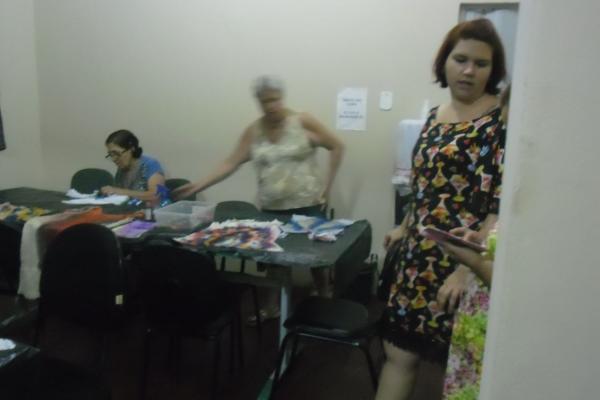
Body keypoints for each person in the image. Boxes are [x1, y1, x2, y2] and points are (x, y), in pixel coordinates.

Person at [376, 19, 507, 400]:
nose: (468, 71)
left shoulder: (500, 121)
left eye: (480, 63)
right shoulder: (434, 116)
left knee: (463, 371)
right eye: (460, 59)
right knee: (397, 353)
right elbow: (423, 186)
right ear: (444, 62)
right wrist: (403, 226)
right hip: (417, 256)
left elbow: (497, 206)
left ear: (493, 70)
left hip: (465, 262)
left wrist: (467, 270)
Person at [173, 75, 345, 321]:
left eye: (275, 99)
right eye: (265, 101)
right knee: (273, 259)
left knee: (317, 260)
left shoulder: (302, 121)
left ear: (282, 98)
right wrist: (199, 184)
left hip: (308, 204)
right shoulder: (254, 131)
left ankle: (325, 301)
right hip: (272, 207)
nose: (271, 106)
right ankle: (272, 307)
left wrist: (328, 187)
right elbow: (231, 162)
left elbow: (337, 146)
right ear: (259, 102)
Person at [101, 129, 166, 202]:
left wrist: (119, 191)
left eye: (116, 153)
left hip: (154, 208)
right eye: (111, 155)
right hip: (131, 208)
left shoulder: (151, 164)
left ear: (132, 149)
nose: (114, 159)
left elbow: (157, 195)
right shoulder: (122, 168)